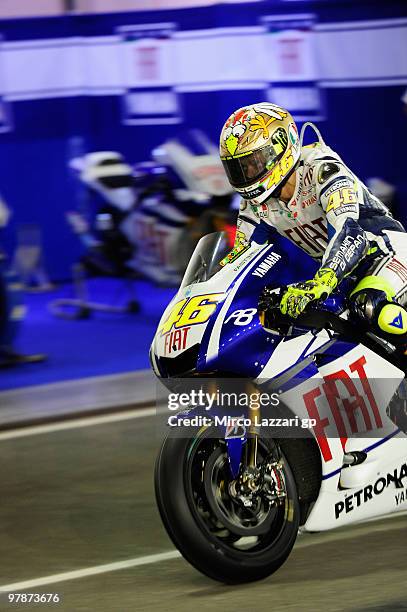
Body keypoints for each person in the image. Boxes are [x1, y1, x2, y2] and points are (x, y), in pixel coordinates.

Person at [219, 102, 407, 345]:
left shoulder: (322, 169)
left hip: (387, 252)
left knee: (368, 304)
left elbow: (351, 233)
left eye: (254, 162)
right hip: (343, 276)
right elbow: (239, 260)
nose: (247, 173)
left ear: (281, 145)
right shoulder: (254, 205)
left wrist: (323, 280)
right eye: (240, 168)